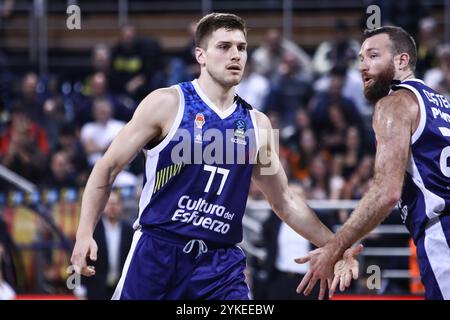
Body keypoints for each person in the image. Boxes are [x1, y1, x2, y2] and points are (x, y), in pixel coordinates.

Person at [71, 12, 361, 300]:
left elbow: (285, 201)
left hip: (220, 265)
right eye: (224, 47)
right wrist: (84, 233)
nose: (235, 55)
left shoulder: (257, 124)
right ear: (201, 55)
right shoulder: (167, 103)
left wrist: (337, 246)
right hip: (158, 253)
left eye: (242, 47)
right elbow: (106, 168)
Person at [296, 26, 450, 300]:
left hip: (443, 234)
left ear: (401, 60)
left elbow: (386, 192)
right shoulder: (444, 106)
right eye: (360, 58)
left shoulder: (394, 104)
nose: (363, 66)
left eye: (373, 56)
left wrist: (334, 248)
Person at [80, 192, 134, 300]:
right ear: (103, 206)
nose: (112, 207)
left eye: (115, 203)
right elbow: (79, 258)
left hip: (122, 289)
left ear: (121, 206)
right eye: (109, 204)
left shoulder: (129, 230)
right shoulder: (91, 231)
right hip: (96, 290)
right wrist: (79, 289)